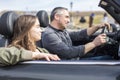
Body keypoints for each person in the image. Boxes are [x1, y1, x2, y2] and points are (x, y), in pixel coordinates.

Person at [41, 7, 112, 60]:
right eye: (66, 17)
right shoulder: (49, 34)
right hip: (68, 66)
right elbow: (68, 52)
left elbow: (78, 35)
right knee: (108, 59)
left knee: (106, 55)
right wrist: (94, 43)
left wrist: (97, 26)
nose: (68, 20)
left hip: (74, 60)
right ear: (57, 17)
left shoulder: (61, 30)